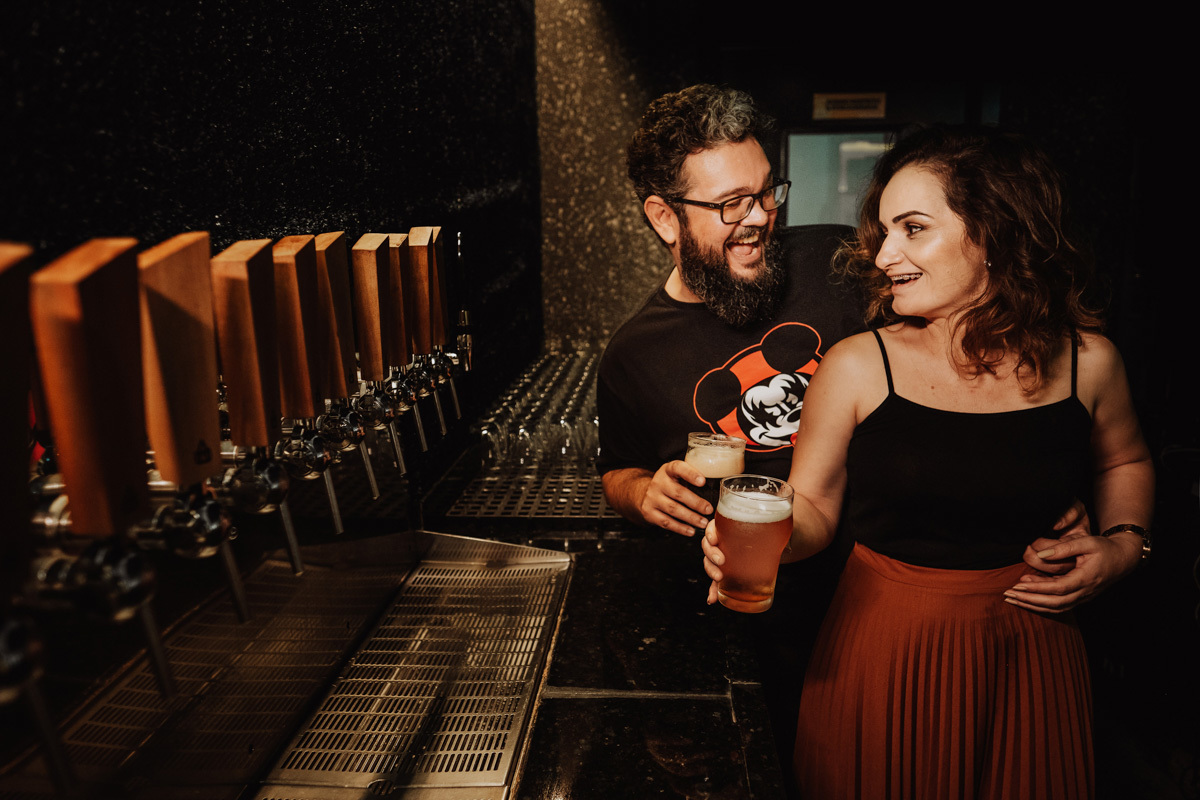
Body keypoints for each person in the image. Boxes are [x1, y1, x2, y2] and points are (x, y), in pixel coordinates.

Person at [702, 124, 1154, 799]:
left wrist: (1123, 548)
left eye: (912, 228)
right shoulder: (860, 365)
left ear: (995, 232)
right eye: (885, 232)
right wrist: (769, 540)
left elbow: (1127, 462)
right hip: (885, 650)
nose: (884, 256)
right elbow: (816, 507)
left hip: (1033, 655)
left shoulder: (1088, 362)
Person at [596, 84, 863, 792]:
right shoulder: (633, 354)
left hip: (875, 610)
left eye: (766, 192)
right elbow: (616, 470)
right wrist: (641, 493)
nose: (758, 219)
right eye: (728, 205)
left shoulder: (837, 263)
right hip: (746, 633)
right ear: (663, 217)